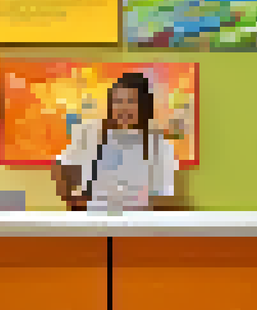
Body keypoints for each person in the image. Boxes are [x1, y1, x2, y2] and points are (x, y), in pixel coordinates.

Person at [53, 72, 180, 213]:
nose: (123, 108)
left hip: (138, 223)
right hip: (96, 220)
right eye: (118, 101)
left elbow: (163, 196)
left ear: (144, 105)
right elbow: (61, 165)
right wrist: (74, 203)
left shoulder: (159, 145)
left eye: (131, 102)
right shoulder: (92, 134)